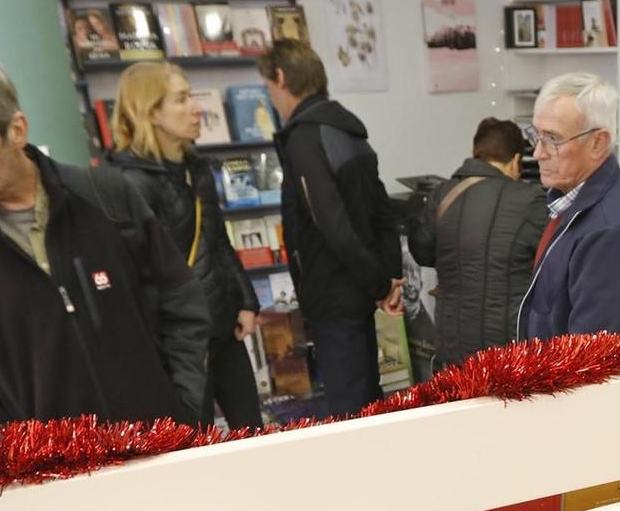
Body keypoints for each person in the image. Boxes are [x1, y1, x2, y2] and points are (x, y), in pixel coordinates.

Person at [0, 52, 209, 431]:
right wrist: (5, 449)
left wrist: (182, 405)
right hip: (43, 476)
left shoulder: (106, 195)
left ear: (17, 130)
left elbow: (182, 303)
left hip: (160, 446)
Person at [108, 62, 263, 430]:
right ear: (151, 113)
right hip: (183, 344)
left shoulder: (197, 169)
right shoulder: (129, 183)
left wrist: (245, 300)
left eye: (191, 96)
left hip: (224, 325)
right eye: (181, 99)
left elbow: (218, 241)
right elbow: (138, 277)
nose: (196, 108)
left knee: (253, 430)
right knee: (195, 439)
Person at [258, 39, 402, 416]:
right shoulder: (348, 129)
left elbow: (332, 225)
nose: (270, 97)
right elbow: (381, 210)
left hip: (334, 294)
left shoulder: (306, 139)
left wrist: (382, 284)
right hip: (357, 292)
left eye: (268, 87)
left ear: (281, 77)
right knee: (368, 400)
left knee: (350, 411)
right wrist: (388, 278)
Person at [519, 72, 620, 339]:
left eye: (553, 139)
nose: (537, 153)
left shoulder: (608, 232)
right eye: (536, 135)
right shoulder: (571, 199)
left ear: (598, 142)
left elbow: (590, 362)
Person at [407, 117, 545, 368]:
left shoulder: (443, 193)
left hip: (452, 345)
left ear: (475, 153)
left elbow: (423, 253)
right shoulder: (530, 200)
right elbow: (550, 262)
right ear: (515, 160)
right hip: (507, 348)